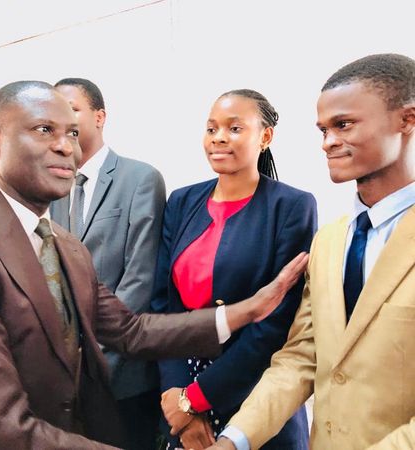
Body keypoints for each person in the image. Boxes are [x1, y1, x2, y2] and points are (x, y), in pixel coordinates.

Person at [0, 81, 309, 450]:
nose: (65, 146)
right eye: (44, 130)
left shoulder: (62, 245)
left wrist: (246, 311)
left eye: (72, 132)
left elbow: (131, 331)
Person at [209, 53, 415, 450]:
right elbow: (302, 356)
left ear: (406, 120)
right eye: (323, 130)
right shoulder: (330, 240)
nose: (328, 142)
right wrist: (233, 440)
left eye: (344, 125)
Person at [154, 90, 316, 450]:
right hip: (181, 383)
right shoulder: (182, 201)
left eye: (235, 128)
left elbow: (275, 324)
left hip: (253, 391)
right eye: (211, 128)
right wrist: (176, 396)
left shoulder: (292, 206)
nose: (219, 138)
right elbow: (164, 307)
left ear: (265, 136)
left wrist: (195, 399)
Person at [50, 78, 166, 450]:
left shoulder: (139, 179)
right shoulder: (54, 187)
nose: (62, 122)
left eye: (72, 110)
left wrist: (93, 356)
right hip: (68, 379)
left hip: (123, 373)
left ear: (99, 117)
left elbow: (140, 278)